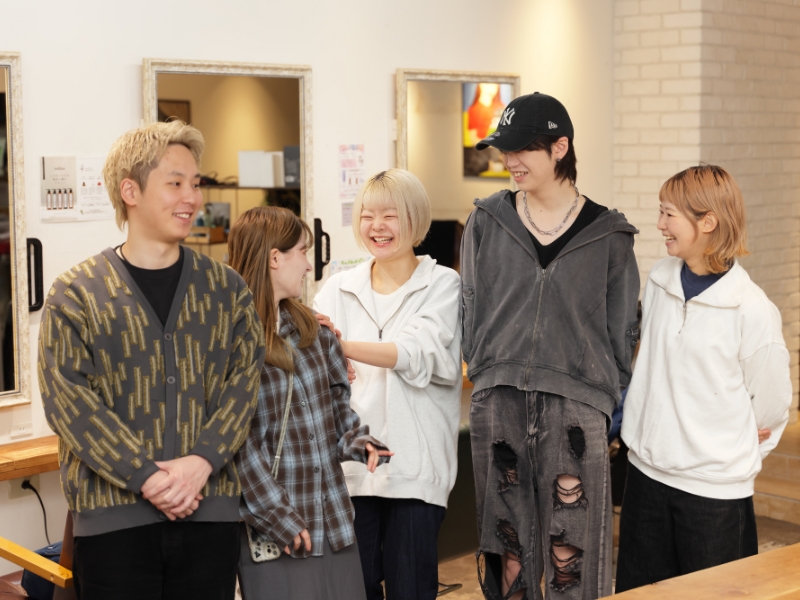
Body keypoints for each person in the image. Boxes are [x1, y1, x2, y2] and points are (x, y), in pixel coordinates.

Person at [38, 121, 266, 600]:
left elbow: (244, 387)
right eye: (175, 183)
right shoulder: (77, 293)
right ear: (131, 192)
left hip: (209, 512)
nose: (192, 198)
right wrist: (147, 477)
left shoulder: (227, 290)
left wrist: (201, 461)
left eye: (195, 184)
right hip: (111, 523)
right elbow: (70, 404)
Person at [462, 92, 640, 600]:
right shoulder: (487, 220)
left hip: (576, 406)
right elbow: (470, 301)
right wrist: (486, 366)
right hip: (499, 400)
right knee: (508, 547)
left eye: (522, 149)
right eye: (505, 149)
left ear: (560, 147)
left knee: (571, 552)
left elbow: (623, 329)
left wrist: (600, 398)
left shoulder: (609, 234)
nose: (510, 160)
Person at [615, 165, 792, 591]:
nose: (660, 225)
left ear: (708, 221)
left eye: (669, 214)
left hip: (713, 495)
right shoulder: (659, 280)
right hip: (645, 477)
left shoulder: (751, 309)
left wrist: (727, 450)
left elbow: (770, 406)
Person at [313, 169, 462, 600]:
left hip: (415, 472)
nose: (377, 226)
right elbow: (311, 356)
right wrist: (323, 349)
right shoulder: (338, 288)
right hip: (350, 470)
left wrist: (341, 346)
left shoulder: (442, 284)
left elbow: (413, 352)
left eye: (390, 215)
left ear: (415, 219)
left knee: (410, 589)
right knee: (352, 589)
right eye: (367, 215)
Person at [230, 206, 392, 600]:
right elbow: (236, 447)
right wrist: (278, 518)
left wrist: (360, 442)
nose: (307, 265)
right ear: (274, 258)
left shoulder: (315, 333)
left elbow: (337, 412)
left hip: (333, 523)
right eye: (302, 251)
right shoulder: (230, 340)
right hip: (277, 532)